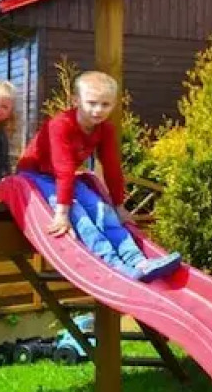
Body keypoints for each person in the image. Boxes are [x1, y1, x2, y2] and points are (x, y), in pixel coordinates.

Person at [15, 70, 181, 281]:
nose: (98, 110)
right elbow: (63, 168)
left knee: (103, 210)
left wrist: (119, 206)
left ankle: (138, 261)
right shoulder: (60, 125)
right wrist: (62, 213)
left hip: (64, 176)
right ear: (76, 100)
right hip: (34, 175)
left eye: (105, 104)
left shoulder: (105, 129)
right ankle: (114, 265)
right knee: (80, 216)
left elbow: (112, 167)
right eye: (91, 103)